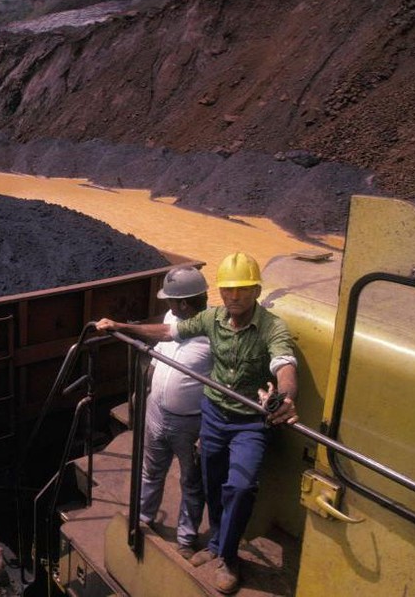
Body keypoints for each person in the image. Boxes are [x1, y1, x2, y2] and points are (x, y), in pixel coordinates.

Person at [96, 252, 298, 595]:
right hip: (214, 416)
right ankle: (216, 543)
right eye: (229, 290)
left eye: (243, 290)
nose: (235, 297)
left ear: (257, 290)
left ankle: (228, 557)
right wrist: (120, 326)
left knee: (241, 485)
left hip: (248, 421)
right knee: (212, 481)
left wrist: (287, 396)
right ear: (221, 292)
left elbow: (284, 363)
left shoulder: (271, 327)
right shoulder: (212, 320)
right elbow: (168, 331)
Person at [139, 266, 213, 560]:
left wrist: (207, 430)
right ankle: (143, 518)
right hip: (156, 411)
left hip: (190, 423)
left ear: (183, 302)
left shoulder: (215, 332)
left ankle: (186, 537)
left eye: (170, 300)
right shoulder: (172, 317)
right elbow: (159, 351)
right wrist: (146, 390)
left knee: (192, 483)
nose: (166, 305)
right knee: (151, 470)